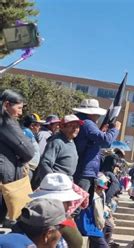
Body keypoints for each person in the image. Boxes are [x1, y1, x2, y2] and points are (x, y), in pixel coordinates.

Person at [73, 99, 120, 202]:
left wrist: (101, 132)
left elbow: (92, 140)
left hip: (84, 169)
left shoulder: (83, 122)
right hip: (84, 170)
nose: (99, 116)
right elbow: (106, 141)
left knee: (81, 202)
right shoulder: (87, 123)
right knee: (79, 203)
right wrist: (115, 129)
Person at [0, 89, 35, 224]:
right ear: (7, 105)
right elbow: (29, 151)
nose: (21, 113)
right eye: (19, 108)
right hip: (4, 178)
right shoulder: (6, 122)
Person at [29, 173, 84, 248]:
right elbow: (77, 243)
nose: (71, 204)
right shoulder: (63, 223)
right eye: (67, 201)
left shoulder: (27, 215)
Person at [32, 115, 83, 189]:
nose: (75, 129)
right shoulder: (57, 142)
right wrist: (53, 182)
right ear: (62, 127)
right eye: (72, 126)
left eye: (77, 127)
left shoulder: (70, 141)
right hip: (57, 184)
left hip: (66, 182)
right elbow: (45, 163)